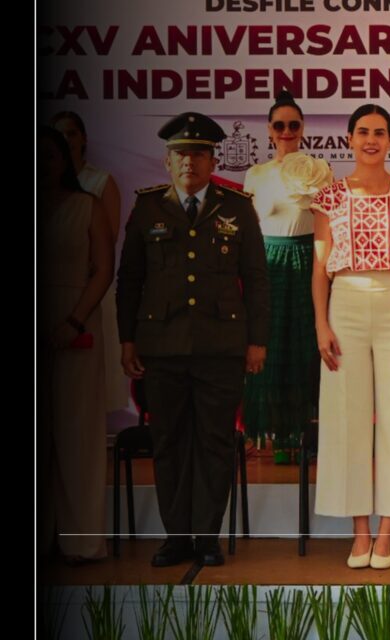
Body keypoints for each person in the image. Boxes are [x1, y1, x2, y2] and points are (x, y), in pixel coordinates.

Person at [116, 112, 270, 567]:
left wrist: (256, 340)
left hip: (221, 347)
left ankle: (206, 537)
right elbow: (129, 280)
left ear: (212, 159)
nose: (190, 162)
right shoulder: (147, 208)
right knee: (169, 442)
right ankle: (176, 537)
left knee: (215, 442)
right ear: (167, 161)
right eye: (181, 154)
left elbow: (256, 279)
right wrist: (128, 340)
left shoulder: (237, 206)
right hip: (161, 347)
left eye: (199, 154)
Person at [311, 104, 390, 570]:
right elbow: (320, 271)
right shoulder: (328, 197)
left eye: (379, 133)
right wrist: (321, 324)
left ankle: (389, 531)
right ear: (348, 138)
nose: (370, 140)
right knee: (347, 416)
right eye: (362, 131)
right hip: (344, 302)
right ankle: (359, 531)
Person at [241, 91, 333, 464]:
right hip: (269, 263)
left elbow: (329, 223)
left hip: (310, 260)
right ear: (268, 130)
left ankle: (305, 433)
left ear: (303, 129)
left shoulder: (320, 169)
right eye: (279, 125)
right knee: (271, 348)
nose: (286, 131)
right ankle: (273, 434)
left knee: (307, 349)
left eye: (293, 125)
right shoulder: (256, 173)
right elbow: (250, 227)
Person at [38, 125, 114, 564]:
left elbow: (103, 269)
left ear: (65, 159)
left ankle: (81, 541)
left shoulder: (87, 205)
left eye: (49, 156)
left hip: (76, 323)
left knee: (76, 432)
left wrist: (73, 319)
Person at [51, 111, 128, 413]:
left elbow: (106, 242)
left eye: (72, 133)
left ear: (83, 138)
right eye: (61, 135)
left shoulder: (100, 181)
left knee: (90, 378)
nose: (67, 140)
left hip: (92, 286)